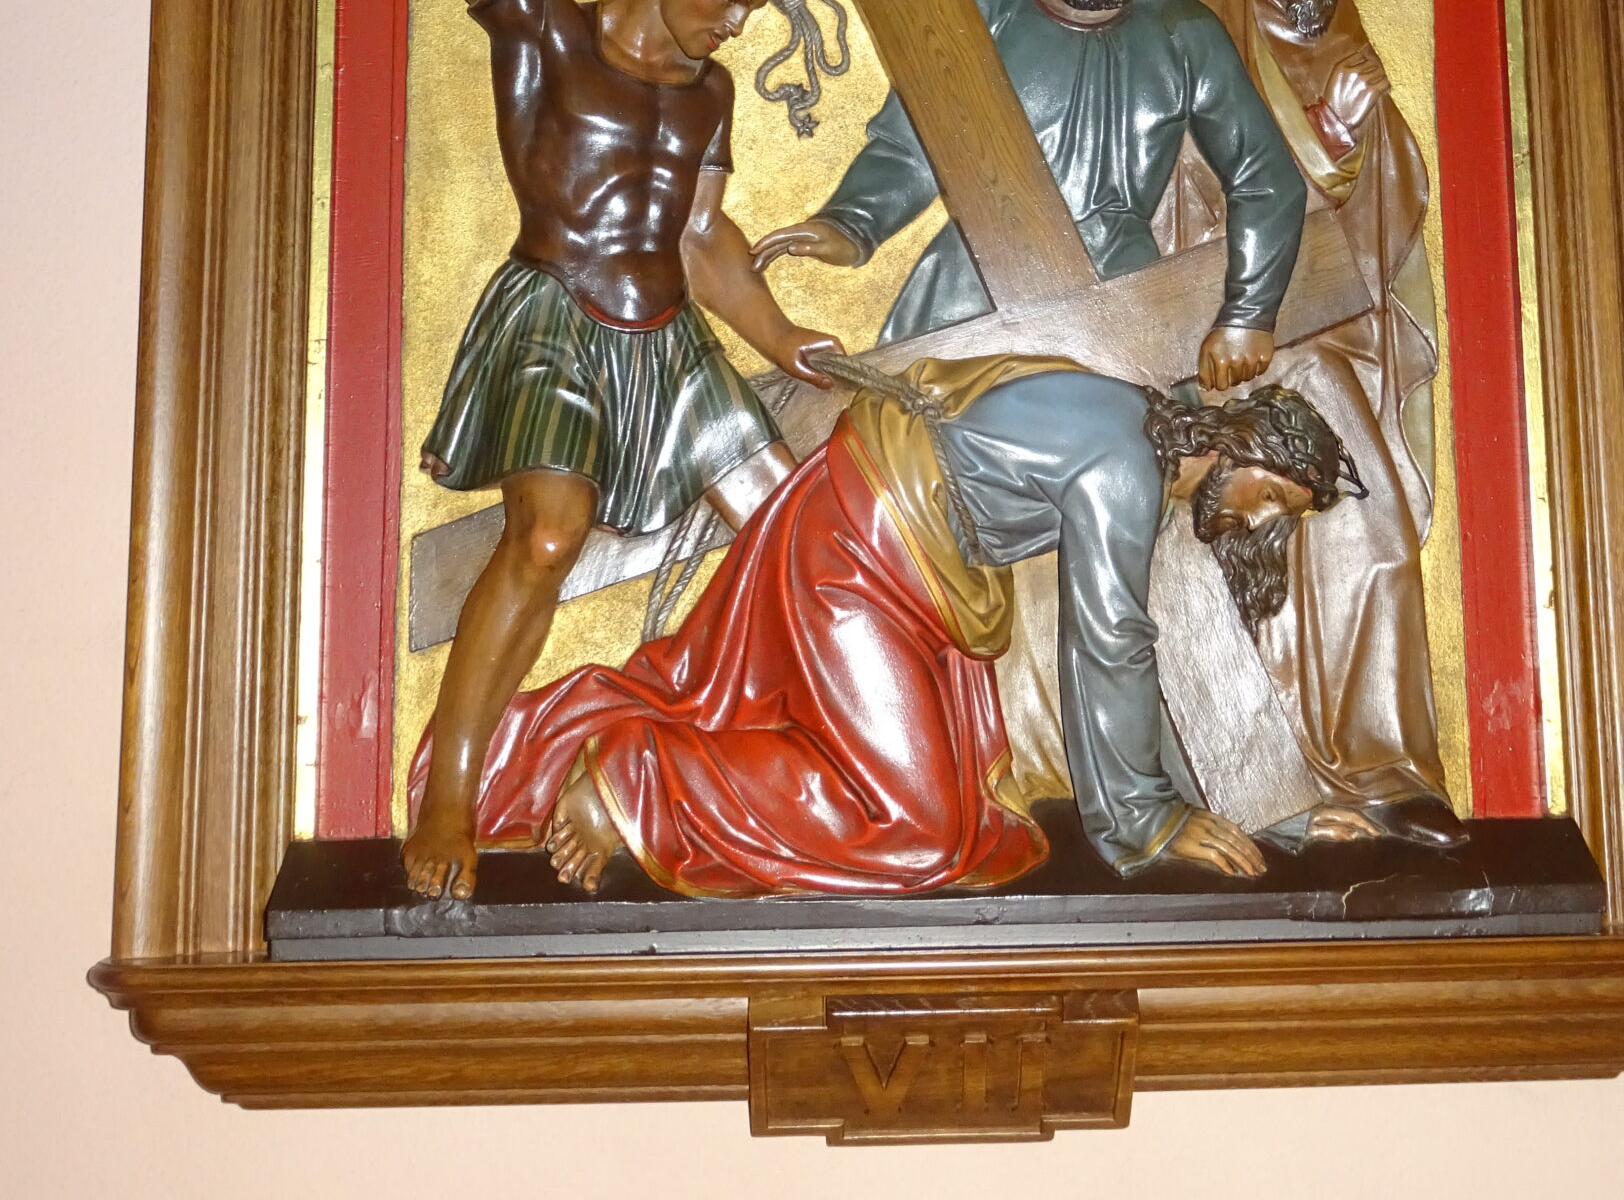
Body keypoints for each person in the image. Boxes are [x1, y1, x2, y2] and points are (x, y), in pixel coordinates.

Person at [408, 361, 1362, 896]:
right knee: (923, 832)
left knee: (969, 826)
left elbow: (1151, 654)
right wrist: (1150, 824)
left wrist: (1260, 814)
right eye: (1273, 496)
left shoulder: (1130, 415)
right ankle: (634, 777)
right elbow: (1110, 641)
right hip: (863, 556)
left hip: (888, 551)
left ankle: (653, 765)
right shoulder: (1127, 467)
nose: (1261, 520)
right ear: (1239, 448)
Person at [402, 0, 842, 901]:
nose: (736, 22)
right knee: (547, 536)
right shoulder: (549, 30)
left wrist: (782, 337)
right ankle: (451, 796)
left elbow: (701, 236)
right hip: (556, 311)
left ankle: (737, 777)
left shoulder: (710, 92)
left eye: (750, 6)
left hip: (667, 333)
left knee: (795, 536)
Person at [752, 0, 1307, 394]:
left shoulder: (1183, 31)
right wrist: (851, 223)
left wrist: (1248, 315)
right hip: (977, 278)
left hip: (1120, 291)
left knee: (1145, 434)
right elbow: (912, 146)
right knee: (905, 425)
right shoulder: (969, 1)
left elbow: (1265, 177)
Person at [1166, 0, 1464, 846]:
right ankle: (1258, 772)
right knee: (1264, 518)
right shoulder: (1201, 19)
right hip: (1207, 343)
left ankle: (1381, 765)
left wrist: (1358, 131)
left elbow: (1389, 222)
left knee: (1365, 522)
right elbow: (1182, 175)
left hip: (1323, 349)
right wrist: (1326, 131)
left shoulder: (1350, 53)